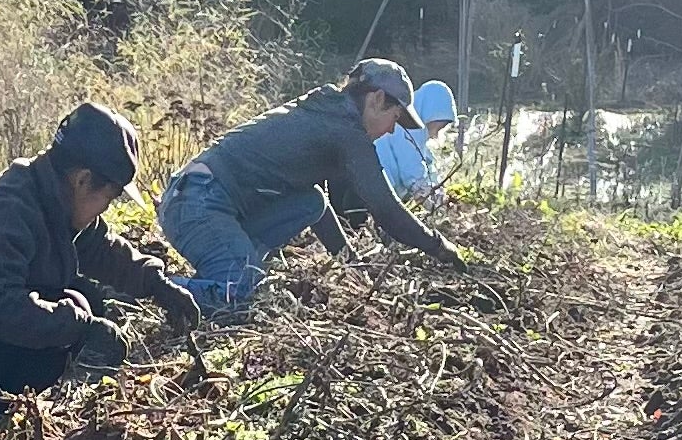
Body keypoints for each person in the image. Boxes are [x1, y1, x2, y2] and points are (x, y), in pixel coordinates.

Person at [0, 101, 203, 411]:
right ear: (82, 179)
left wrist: (156, 283)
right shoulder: (7, 210)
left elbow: (101, 248)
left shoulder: (49, 194)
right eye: (110, 196)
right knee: (60, 334)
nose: (106, 208)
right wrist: (82, 328)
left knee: (80, 300)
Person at [160, 59, 477, 311]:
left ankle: (217, 275)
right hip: (197, 202)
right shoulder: (345, 130)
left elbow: (318, 207)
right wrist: (440, 248)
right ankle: (144, 289)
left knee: (310, 201)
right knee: (240, 294)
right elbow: (386, 210)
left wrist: (350, 264)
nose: (393, 130)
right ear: (377, 99)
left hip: (202, 201)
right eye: (395, 117)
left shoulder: (329, 112)